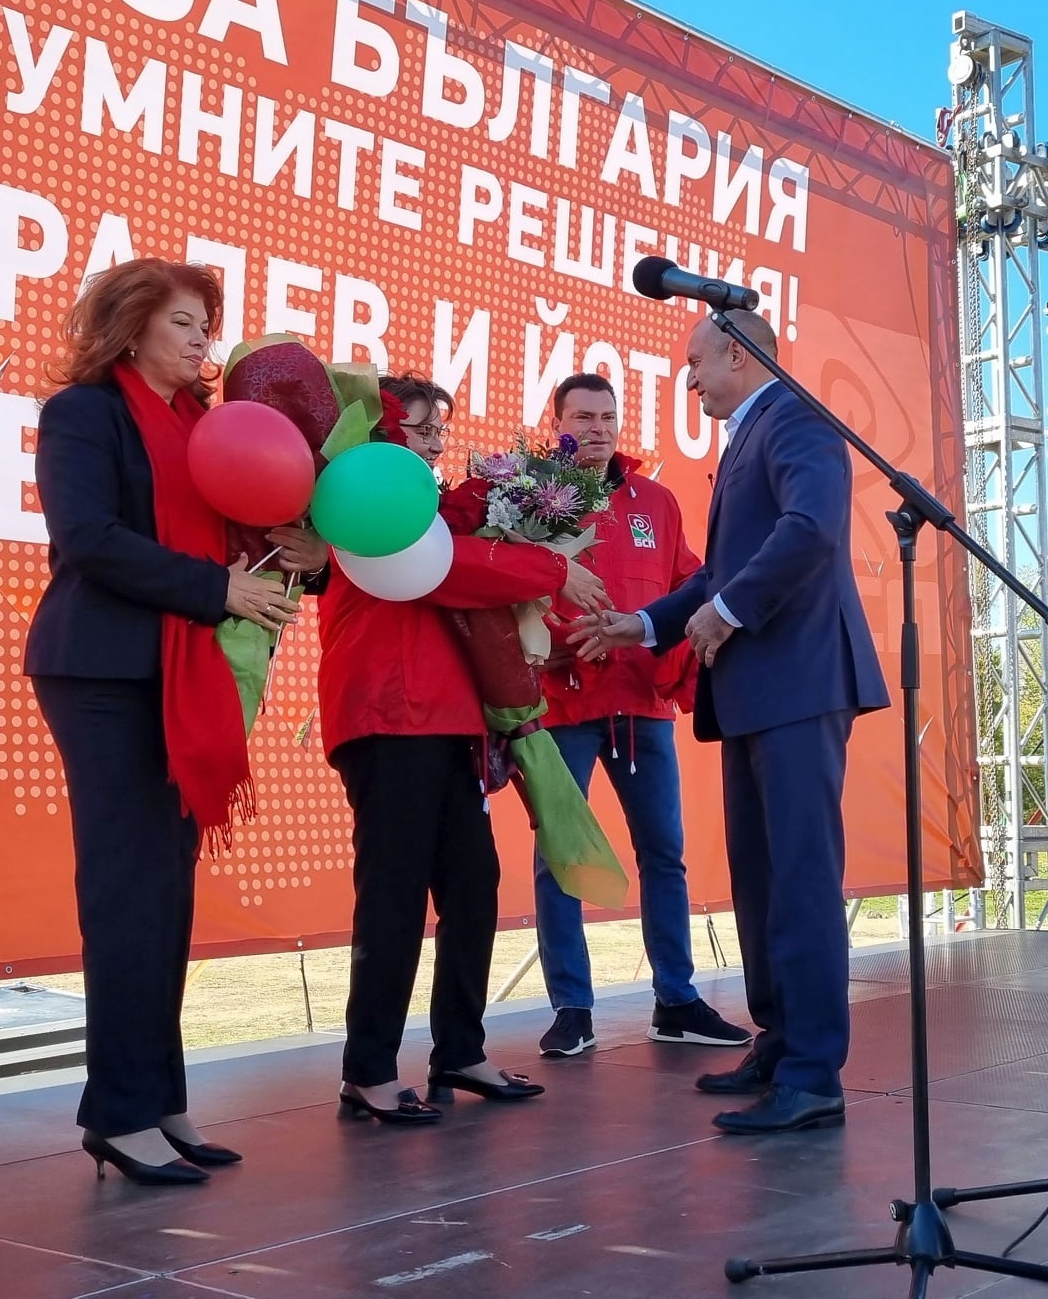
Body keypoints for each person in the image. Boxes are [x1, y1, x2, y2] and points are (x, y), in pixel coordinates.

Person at [26, 258, 313, 1184]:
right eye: (183, 322)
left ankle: (159, 1100)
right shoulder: (85, 413)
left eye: (205, 326)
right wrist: (215, 589)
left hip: (185, 669)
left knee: (168, 891)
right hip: (104, 669)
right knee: (127, 890)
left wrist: (294, 550)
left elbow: (238, 538)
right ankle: (118, 1114)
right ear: (132, 324)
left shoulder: (205, 425)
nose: (201, 341)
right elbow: (89, 539)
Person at [573, 313, 889, 1135]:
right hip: (755, 690)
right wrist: (646, 624)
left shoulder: (795, 417)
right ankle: (779, 1046)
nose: (688, 380)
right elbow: (720, 570)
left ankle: (813, 1073)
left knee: (800, 877)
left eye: (695, 362)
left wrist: (727, 610)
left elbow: (809, 531)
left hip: (799, 680)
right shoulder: (749, 434)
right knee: (760, 878)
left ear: (739, 356)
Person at [315, 372, 613, 1125]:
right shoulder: (368, 506)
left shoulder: (437, 509)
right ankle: (368, 1070)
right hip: (388, 715)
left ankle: (459, 1049)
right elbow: (447, 569)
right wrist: (555, 569)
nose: (435, 445)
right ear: (382, 436)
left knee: (473, 885)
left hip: (448, 720)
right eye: (421, 431)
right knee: (394, 893)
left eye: (438, 433)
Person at [531, 372, 750, 1059]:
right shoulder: (530, 500)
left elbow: (691, 586)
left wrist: (654, 638)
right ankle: (572, 1008)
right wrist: (566, 640)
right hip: (564, 701)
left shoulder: (654, 501)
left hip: (641, 705)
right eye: (582, 417)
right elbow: (511, 595)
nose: (596, 429)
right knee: (560, 857)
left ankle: (676, 1001)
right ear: (557, 424)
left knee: (663, 854)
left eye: (607, 417)